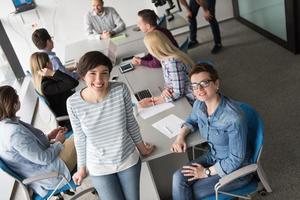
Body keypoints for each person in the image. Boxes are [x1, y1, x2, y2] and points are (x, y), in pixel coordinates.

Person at [66, 51, 155, 200]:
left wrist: (143, 149)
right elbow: (80, 138)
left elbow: (131, 123)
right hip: (98, 165)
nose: (99, 80)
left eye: (104, 73)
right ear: (82, 75)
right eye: (92, 73)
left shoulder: (120, 90)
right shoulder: (73, 103)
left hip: (127, 159)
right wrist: (81, 168)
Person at [171, 64, 252, 199]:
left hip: (236, 170)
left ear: (216, 84)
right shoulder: (199, 104)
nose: (199, 89)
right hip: (213, 156)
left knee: (193, 190)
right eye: (195, 85)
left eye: (204, 83)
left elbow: (236, 159)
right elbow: (191, 121)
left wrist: (206, 172)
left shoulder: (233, 118)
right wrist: (180, 137)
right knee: (178, 177)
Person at [0, 85, 77, 198]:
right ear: (12, 104)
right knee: (81, 136)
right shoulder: (14, 134)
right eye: (16, 96)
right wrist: (58, 142)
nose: (18, 97)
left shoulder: (7, 126)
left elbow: (31, 149)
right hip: (51, 172)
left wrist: (49, 137)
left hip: (45, 167)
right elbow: (43, 159)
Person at [138, 31, 195, 108]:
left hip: (189, 100)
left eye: (148, 48)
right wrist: (166, 89)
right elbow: (171, 81)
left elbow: (178, 93)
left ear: (155, 49)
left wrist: (154, 101)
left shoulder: (173, 63)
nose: (148, 51)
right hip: (181, 94)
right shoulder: (165, 59)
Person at [30, 52, 79, 127]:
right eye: (50, 61)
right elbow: (73, 83)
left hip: (72, 106)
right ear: (47, 65)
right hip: (71, 116)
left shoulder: (46, 80)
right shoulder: (46, 86)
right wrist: (53, 73)